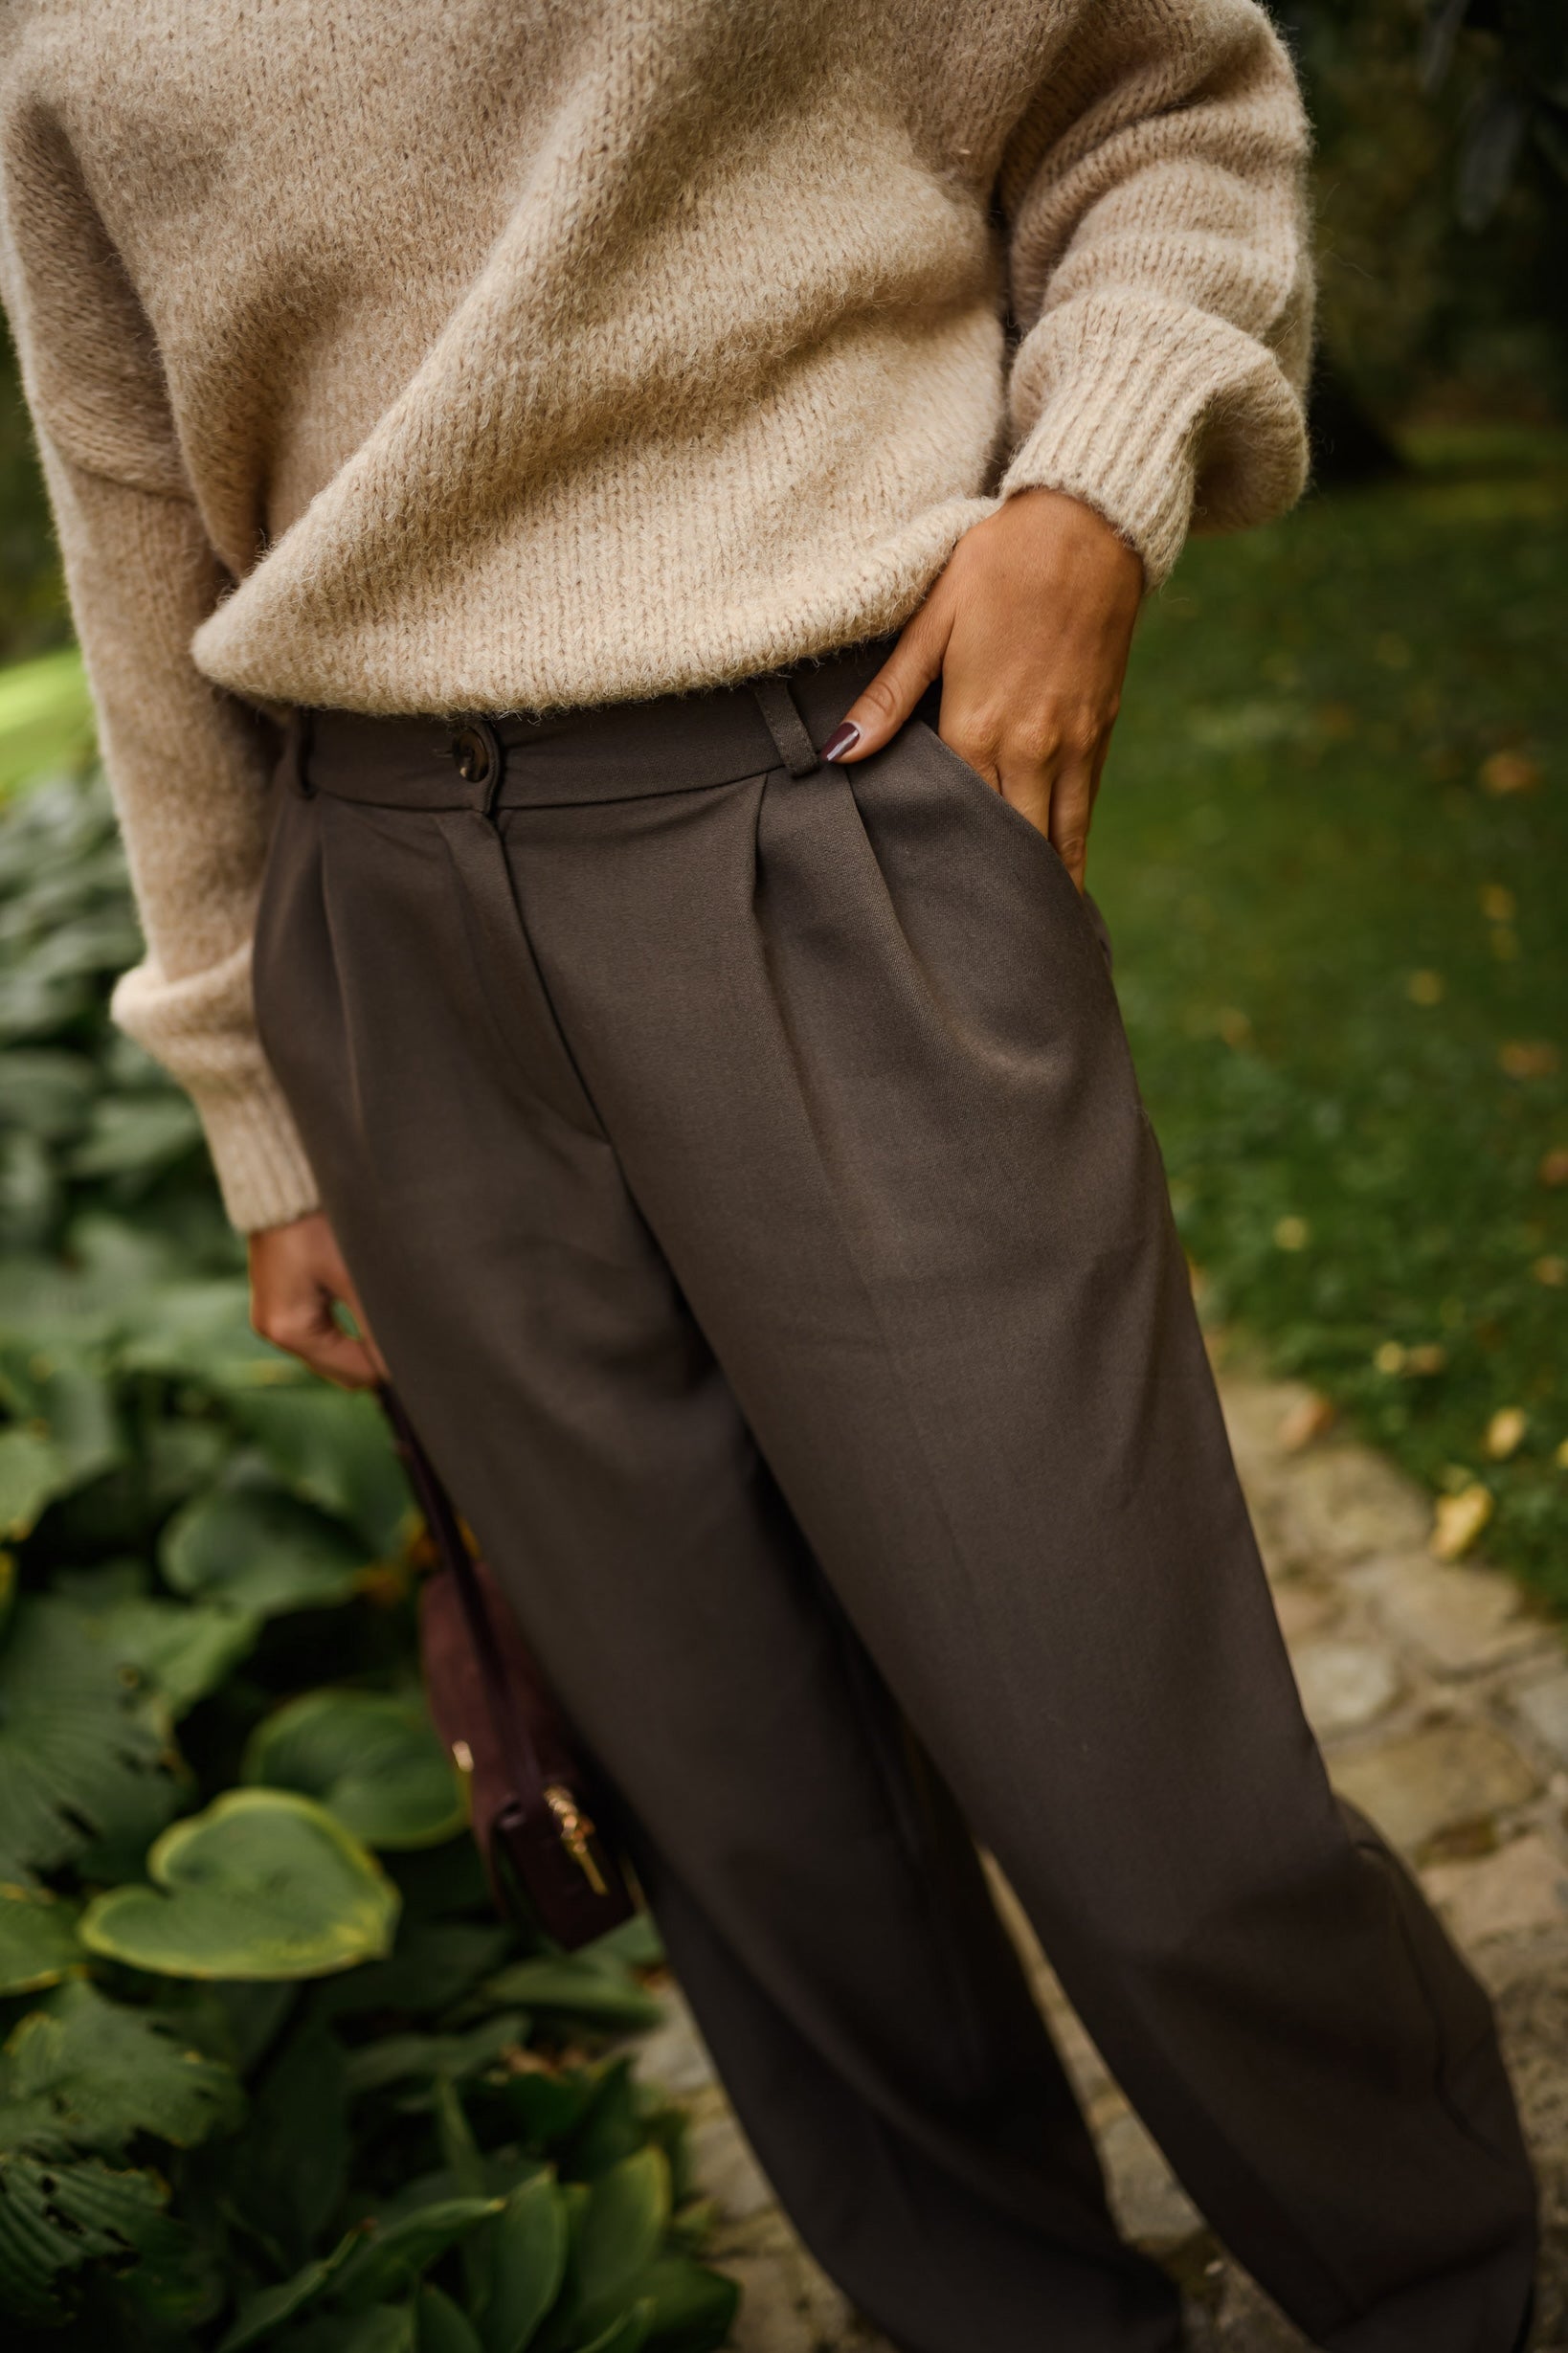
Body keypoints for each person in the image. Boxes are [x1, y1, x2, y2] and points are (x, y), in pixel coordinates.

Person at [0, 5, 1538, 2346]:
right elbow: (125, 492)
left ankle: (1449, 2289)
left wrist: (1088, 488)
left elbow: (1165, 100)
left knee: (1153, 1794)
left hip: (829, 802)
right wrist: (252, 1085)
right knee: (766, 1839)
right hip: (377, 917)